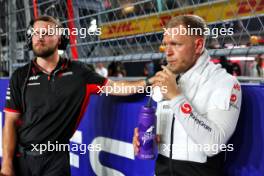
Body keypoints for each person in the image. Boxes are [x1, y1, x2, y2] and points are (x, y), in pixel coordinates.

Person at [1, 16, 153, 176]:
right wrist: (6, 164)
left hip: (56, 162)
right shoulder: (20, 76)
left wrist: (148, 82)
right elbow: (10, 122)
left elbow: (115, 88)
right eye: (36, 33)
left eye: (47, 33)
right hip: (23, 159)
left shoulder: (79, 73)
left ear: (60, 39)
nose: (40, 37)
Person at [133, 15, 242, 176]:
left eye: (175, 44)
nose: (167, 52)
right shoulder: (169, 78)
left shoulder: (224, 82)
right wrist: (149, 137)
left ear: (198, 45)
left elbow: (213, 144)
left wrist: (176, 97)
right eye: (165, 45)